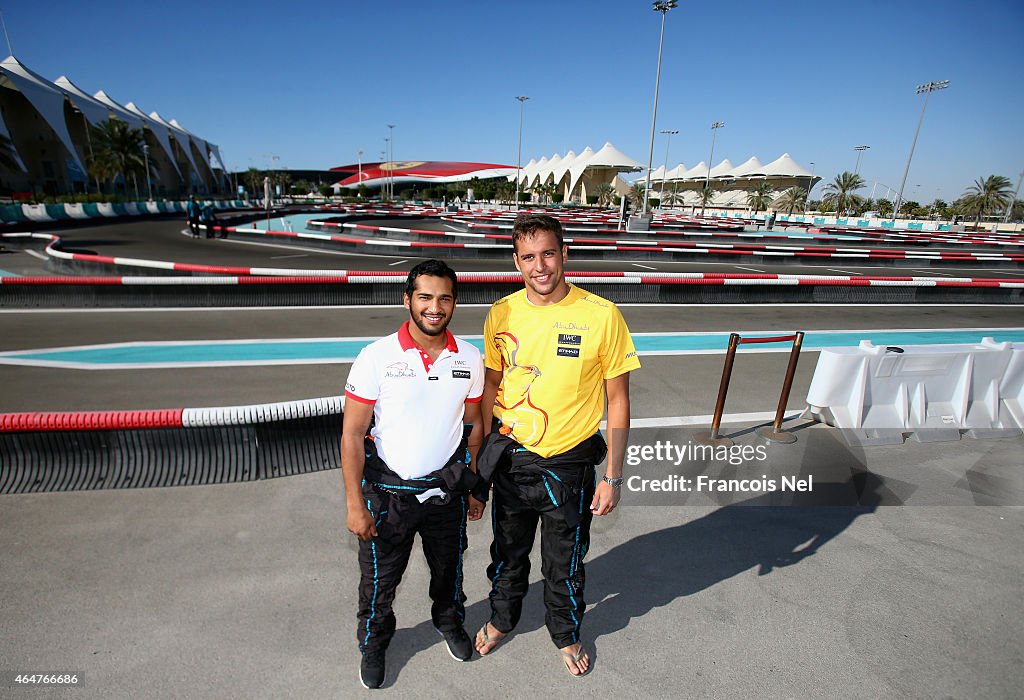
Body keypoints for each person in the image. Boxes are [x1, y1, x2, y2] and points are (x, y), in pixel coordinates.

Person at [474, 213, 640, 676]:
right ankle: (503, 619)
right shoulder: (501, 313)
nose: (540, 266)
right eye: (529, 257)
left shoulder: (601, 315)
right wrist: (480, 465)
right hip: (511, 462)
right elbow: (489, 389)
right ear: (516, 261)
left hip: (570, 466)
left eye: (548, 253)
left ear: (564, 254)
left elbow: (619, 399)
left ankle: (565, 633)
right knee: (507, 554)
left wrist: (613, 477)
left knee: (564, 560)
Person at [340, 259, 486, 689]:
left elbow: (474, 425)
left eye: (444, 298)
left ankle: (449, 622)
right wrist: (354, 503)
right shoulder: (376, 357)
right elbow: (351, 435)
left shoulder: (470, 358)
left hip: (445, 495)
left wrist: (475, 485)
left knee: (449, 573)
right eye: (425, 297)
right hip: (388, 496)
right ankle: (374, 642)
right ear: (408, 300)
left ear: (454, 302)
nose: (434, 307)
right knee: (380, 583)